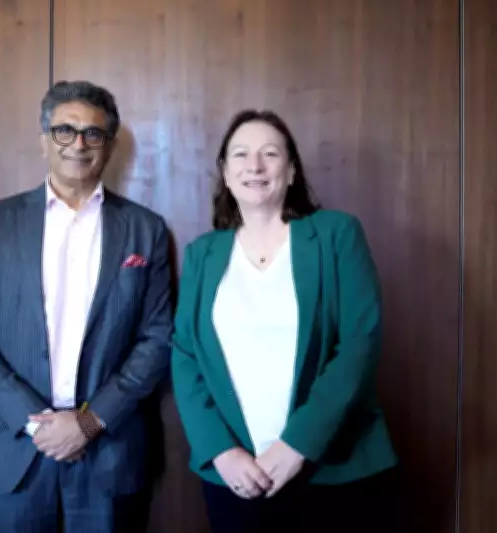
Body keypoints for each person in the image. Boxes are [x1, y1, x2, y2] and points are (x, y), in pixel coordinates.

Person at [0, 80, 172, 533]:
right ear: (43, 140)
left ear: (110, 146)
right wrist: (35, 424)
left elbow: (158, 339)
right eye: (64, 130)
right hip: (19, 448)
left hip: (109, 447)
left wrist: (89, 423)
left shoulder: (145, 229)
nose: (78, 144)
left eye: (93, 133)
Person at [171, 109, 401, 532]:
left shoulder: (336, 234)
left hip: (333, 469)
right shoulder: (202, 254)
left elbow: (360, 344)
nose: (254, 166)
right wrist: (220, 451)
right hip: (236, 476)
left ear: (292, 171)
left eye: (270, 154)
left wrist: (298, 445)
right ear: (225, 173)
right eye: (240, 154)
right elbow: (184, 356)